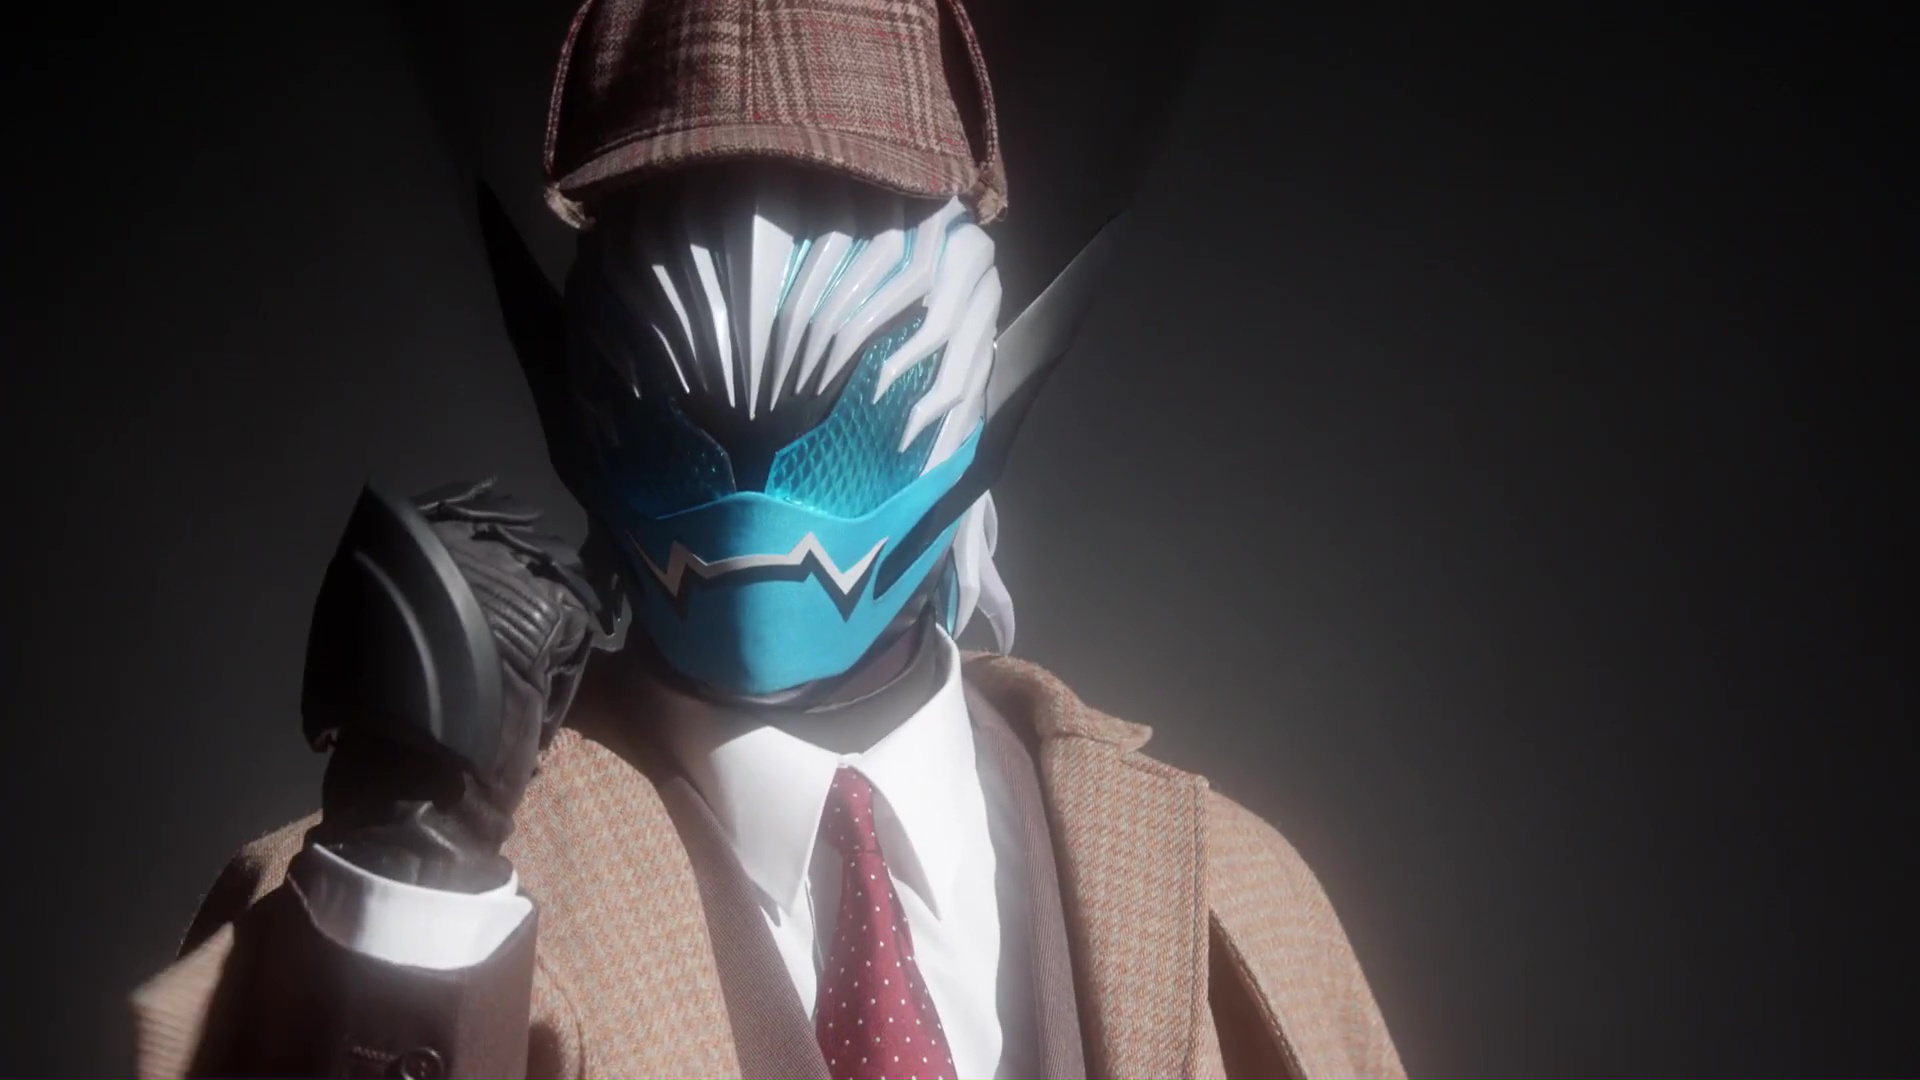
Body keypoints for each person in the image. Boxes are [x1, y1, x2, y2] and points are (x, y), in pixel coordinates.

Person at [131, 1, 1404, 1077]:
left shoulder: (1225, 893)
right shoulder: (343, 916)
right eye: (686, 221)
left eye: (840, 216)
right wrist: (405, 917)